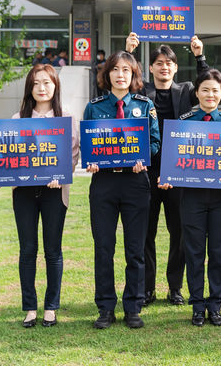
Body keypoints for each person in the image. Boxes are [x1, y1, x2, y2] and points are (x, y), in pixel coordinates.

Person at [0, 64, 79, 328]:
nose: (42, 88)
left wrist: (62, 174)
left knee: (52, 250)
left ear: (55, 86)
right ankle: (29, 308)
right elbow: (6, 157)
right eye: (36, 83)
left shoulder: (66, 118)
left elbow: (72, 155)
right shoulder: (18, 119)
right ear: (30, 88)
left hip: (54, 193)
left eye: (46, 82)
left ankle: (51, 307)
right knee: (27, 250)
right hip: (23, 193)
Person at [125, 33, 209, 306]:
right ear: (150, 68)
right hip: (145, 171)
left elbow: (207, 85)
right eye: (159, 62)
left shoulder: (185, 91)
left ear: (175, 67)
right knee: (145, 232)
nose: (164, 67)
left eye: (169, 63)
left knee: (180, 232)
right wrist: (130, 52)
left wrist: (199, 56)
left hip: (179, 171)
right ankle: (147, 288)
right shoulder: (141, 93)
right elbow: (125, 81)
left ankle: (175, 287)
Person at [84, 51, 161, 329]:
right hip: (104, 183)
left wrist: (144, 158)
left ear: (133, 75)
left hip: (135, 183)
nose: (120, 75)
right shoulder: (94, 107)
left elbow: (154, 142)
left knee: (135, 249)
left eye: (126, 70)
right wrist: (91, 160)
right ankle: (105, 308)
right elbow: (88, 143)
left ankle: (133, 306)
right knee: (104, 248)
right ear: (107, 75)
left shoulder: (144, 104)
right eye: (114, 69)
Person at [160, 69, 221, 327]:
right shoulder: (184, 121)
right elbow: (173, 155)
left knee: (218, 252)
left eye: (215, 90)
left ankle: (215, 304)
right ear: (197, 93)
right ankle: (197, 305)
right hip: (191, 197)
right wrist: (168, 173)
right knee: (194, 251)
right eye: (205, 89)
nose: (210, 94)